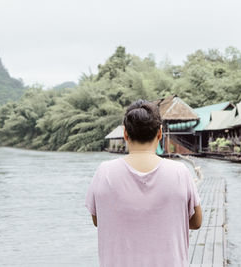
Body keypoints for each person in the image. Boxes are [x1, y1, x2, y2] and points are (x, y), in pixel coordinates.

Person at [85, 99, 202, 267]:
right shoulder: (180, 172)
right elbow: (196, 222)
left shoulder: (104, 172)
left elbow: (98, 220)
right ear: (160, 133)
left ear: (125, 134)